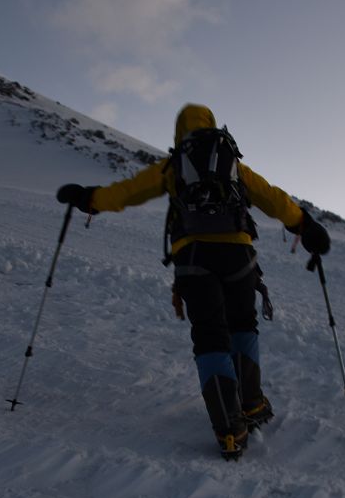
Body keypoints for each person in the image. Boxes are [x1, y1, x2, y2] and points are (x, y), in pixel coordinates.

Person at [57, 103, 330, 459]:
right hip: (239, 255)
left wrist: (88, 199)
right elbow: (273, 198)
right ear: (214, 128)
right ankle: (251, 404)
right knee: (243, 325)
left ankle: (230, 431)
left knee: (210, 335)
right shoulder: (233, 165)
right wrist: (304, 225)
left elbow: (125, 192)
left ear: (179, 132)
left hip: (194, 257)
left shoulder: (173, 167)